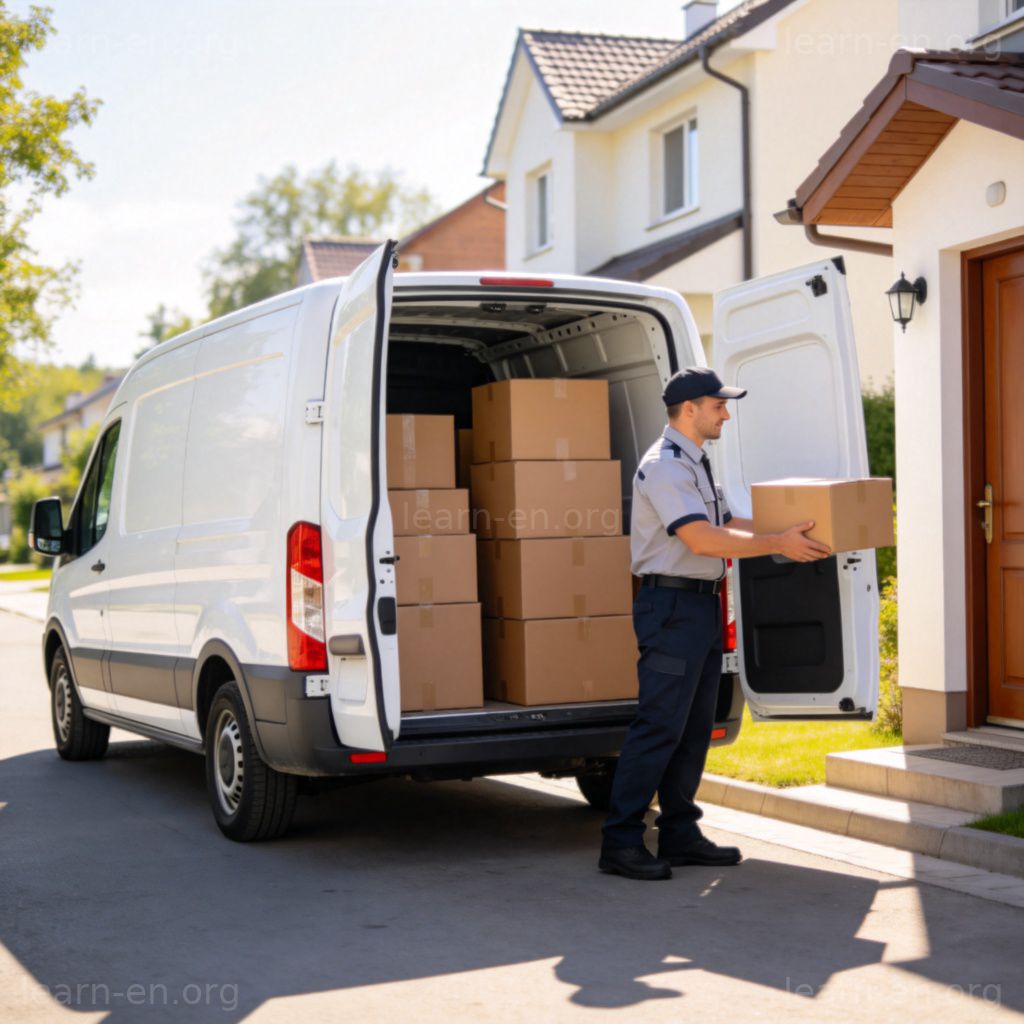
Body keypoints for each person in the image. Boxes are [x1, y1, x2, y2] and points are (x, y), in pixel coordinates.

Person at [599, 366, 832, 881]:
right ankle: (619, 841)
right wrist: (778, 547)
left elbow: (728, 524)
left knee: (694, 728)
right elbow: (702, 540)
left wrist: (794, 531)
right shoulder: (664, 467)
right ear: (689, 409)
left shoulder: (695, 464)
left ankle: (680, 833)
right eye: (718, 404)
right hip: (672, 608)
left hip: (700, 606)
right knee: (659, 725)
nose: (725, 412)